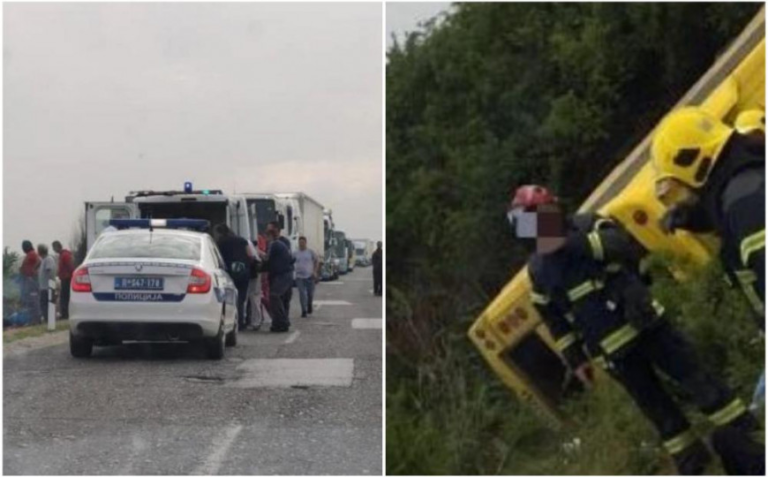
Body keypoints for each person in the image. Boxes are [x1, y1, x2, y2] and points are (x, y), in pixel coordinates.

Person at [509, 184, 763, 475]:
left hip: (649, 326)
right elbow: (554, 319)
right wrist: (576, 359)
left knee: (697, 379)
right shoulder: (538, 269)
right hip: (613, 352)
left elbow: (621, 246)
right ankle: (694, 465)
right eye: (528, 226)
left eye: (539, 220)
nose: (536, 230)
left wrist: (568, 243)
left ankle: (748, 434)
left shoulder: (588, 225)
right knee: (658, 411)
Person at [651, 107, 765, 328]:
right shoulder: (746, 184)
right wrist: (694, 218)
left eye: (679, 188)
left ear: (695, 166)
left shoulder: (744, 205)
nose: (683, 198)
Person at [213, 224, 253, 330]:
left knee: (230, 298)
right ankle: (242, 321)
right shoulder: (242, 240)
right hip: (244, 271)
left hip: (229, 273)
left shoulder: (220, 243)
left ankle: (233, 321)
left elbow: (218, 258)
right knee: (242, 298)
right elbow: (250, 255)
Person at [263, 223, 294, 332]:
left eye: (266, 237)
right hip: (286, 273)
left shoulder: (274, 244)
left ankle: (282, 321)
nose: (265, 240)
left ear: (270, 236)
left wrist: (259, 254)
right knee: (283, 298)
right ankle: (279, 323)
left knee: (274, 296)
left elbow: (267, 259)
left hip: (281, 275)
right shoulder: (282, 244)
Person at [293, 236, 320, 318]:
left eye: (302, 242)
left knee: (310, 294)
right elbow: (290, 261)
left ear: (305, 243)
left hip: (310, 276)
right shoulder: (295, 253)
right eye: (300, 242)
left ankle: (309, 305)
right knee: (302, 294)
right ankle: (303, 310)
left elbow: (316, 261)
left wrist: (315, 271)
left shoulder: (310, 252)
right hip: (299, 277)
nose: (301, 244)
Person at [20, 240, 42, 324]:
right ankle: (34, 319)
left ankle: (36, 319)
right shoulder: (30, 254)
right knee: (31, 300)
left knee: (33, 299)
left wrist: (33, 270)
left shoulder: (32, 254)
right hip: (29, 279)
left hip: (31, 280)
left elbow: (39, 261)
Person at [52, 240, 75, 320]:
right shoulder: (62, 255)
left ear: (57, 247)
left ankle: (65, 314)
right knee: (64, 296)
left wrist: (71, 275)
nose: (54, 250)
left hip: (67, 278)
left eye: (54, 248)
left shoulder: (64, 255)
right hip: (64, 278)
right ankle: (65, 313)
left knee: (64, 297)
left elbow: (70, 266)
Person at [37, 244, 57, 325]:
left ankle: (50, 320)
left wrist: (50, 284)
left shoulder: (48, 259)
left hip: (48, 286)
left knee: (48, 303)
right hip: (44, 286)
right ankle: (47, 319)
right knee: (44, 303)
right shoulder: (43, 260)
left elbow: (49, 271)